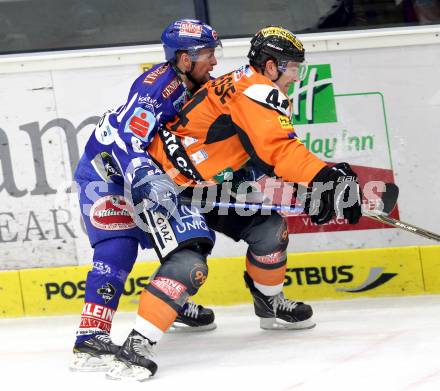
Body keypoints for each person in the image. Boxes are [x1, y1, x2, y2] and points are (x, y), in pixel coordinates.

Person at [105, 26, 362, 381]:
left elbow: (259, 156)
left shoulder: (246, 83)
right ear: (271, 66)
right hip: (163, 186)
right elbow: (279, 150)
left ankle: (269, 304)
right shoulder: (257, 91)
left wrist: (311, 186)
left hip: (203, 184)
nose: (295, 76)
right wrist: (325, 176)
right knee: (189, 264)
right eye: (292, 67)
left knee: (270, 230)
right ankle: (136, 345)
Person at [70, 19, 223, 372]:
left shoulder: (199, 84)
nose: (214, 62)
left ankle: (172, 304)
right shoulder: (156, 90)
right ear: (185, 59)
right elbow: (126, 139)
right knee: (117, 248)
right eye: (208, 55)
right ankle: (89, 338)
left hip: (151, 177)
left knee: (191, 240)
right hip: (108, 175)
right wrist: (145, 174)